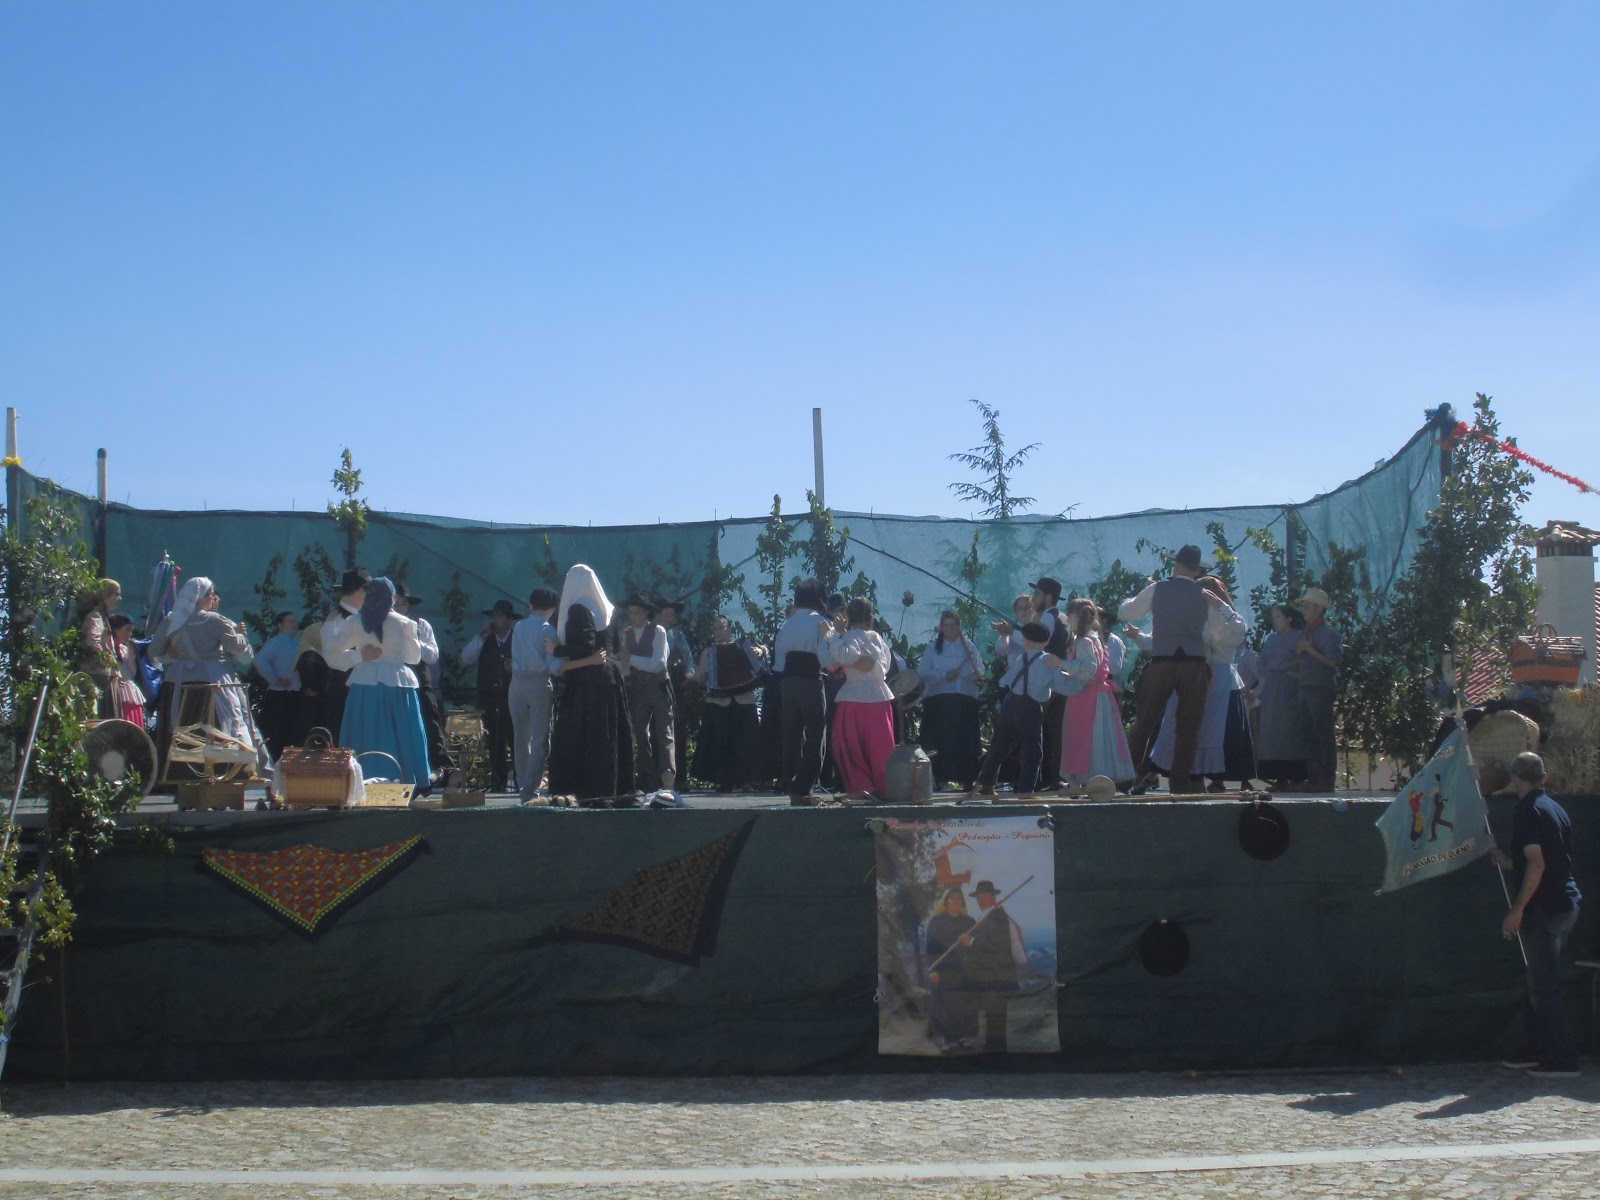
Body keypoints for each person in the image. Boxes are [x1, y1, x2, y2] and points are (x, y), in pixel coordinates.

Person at [1490, 752, 1583, 1078]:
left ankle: (1564, 1060)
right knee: (1538, 982)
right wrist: (1508, 861)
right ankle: (1539, 1051)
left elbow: (1539, 864)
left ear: (1515, 777)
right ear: (1544, 777)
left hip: (1546, 908)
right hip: (1564, 904)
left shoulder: (1529, 812)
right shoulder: (1554, 808)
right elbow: (1549, 859)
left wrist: (1517, 909)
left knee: (1544, 986)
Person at [1118, 544, 1236, 795]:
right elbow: (1220, 633)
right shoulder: (1205, 595)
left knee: (1145, 722)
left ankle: (1124, 779)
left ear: (1176, 565)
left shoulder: (1158, 588)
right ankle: (1180, 784)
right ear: (1197, 570)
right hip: (1194, 663)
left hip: (1163, 661)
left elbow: (1126, 612)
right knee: (1189, 725)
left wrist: (1140, 598)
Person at [151, 576, 271, 781]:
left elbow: (154, 650)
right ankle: (227, 773)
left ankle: (179, 774)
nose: (214, 598)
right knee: (221, 726)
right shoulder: (214, 620)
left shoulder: (172, 619)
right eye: (211, 594)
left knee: (181, 727)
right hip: (210, 683)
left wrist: (171, 654)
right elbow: (243, 655)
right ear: (202, 597)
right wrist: (240, 636)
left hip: (177, 684)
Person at [1146, 577, 1254, 792]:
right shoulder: (1194, 618)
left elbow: (1240, 630)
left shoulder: (1228, 618)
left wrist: (1220, 605)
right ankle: (1192, 776)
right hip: (1197, 676)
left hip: (1222, 680)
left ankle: (1219, 779)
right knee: (1192, 727)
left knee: (1221, 731)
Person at [323, 577, 431, 787]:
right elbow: (413, 658)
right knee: (401, 734)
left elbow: (332, 653)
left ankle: (362, 779)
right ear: (392, 599)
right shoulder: (406, 623)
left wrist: (359, 655)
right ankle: (404, 778)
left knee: (366, 731)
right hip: (397, 685)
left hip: (365, 684)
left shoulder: (355, 621)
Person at [547, 566, 633, 800]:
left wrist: (557, 650)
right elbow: (614, 645)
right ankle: (613, 789)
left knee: (582, 735)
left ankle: (585, 791)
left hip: (587, 681)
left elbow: (585, 645)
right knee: (608, 734)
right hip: (611, 676)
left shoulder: (579, 609)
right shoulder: (608, 609)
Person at [992, 578, 1070, 791]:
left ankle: (1023, 783)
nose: (1033, 599)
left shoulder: (1048, 617)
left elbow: (1035, 641)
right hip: (1053, 681)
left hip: (1041, 684)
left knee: (1024, 736)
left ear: (1048, 597)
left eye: (1037, 594)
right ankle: (1048, 780)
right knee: (1049, 735)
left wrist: (1012, 631)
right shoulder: (1060, 617)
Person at [1056, 600, 1136, 787]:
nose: (1068, 618)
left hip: (1088, 695)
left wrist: (1060, 663)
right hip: (1094, 694)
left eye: (1070, 614)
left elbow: (1088, 670)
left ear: (1078, 617)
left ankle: (1088, 776)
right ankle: (1087, 777)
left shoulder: (1085, 641)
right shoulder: (1093, 639)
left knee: (1085, 735)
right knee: (1092, 734)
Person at [973, 622, 1057, 798]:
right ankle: (1026, 791)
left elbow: (1009, 679)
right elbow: (1059, 684)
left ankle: (986, 783)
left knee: (1000, 744)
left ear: (1026, 641)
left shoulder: (1022, 658)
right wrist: (1076, 681)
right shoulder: (1047, 661)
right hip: (1030, 706)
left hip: (1010, 701)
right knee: (1032, 751)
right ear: (1047, 642)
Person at [774, 579, 838, 804]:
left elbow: (779, 662)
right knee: (815, 734)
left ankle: (790, 781)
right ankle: (804, 785)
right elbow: (825, 657)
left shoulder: (787, 624)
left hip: (788, 682)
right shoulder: (821, 622)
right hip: (811, 680)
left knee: (792, 734)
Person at [830, 597, 896, 801]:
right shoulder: (877, 638)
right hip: (879, 696)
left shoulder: (850, 637)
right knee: (881, 747)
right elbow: (884, 665)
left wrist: (833, 635)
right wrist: (864, 663)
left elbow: (843, 656)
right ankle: (886, 787)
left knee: (847, 745)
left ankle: (863, 787)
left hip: (854, 697)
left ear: (849, 616)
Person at [693, 616, 767, 793]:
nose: (718, 631)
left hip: (744, 700)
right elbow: (699, 678)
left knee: (745, 743)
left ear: (729, 629)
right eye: (715, 628)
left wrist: (762, 650)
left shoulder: (744, 646)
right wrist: (706, 675)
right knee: (720, 743)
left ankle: (746, 780)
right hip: (719, 701)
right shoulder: (709, 652)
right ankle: (723, 781)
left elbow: (761, 661)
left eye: (721, 627)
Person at [508, 586, 563, 803]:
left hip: (516, 682)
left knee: (520, 737)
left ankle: (522, 783)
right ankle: (530, 790)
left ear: (530, 605)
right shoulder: (549, 631)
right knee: (540, 738)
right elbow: (555, 667)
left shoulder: (519, 626)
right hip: (539, 682)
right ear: (553, 608)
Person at [917, 611, 983, 791]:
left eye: (953, 625)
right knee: (940, 742)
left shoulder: (969, 647)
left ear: (959, 627)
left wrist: (977, 676)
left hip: (965, 701)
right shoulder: (932, 648)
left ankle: (968, 779)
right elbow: (923, 673)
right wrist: (945, 675)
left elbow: (980, 668)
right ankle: (939, 778)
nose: (949, 629)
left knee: (965, 742)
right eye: (945, 625)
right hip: (940, 702)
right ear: (941, 627)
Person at [394, 583, 453, 783]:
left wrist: (413, 640)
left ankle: (440, 769)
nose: (399, 608)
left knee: (431, 723)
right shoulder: (384, 626)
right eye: (396, 603)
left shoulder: (421, 624)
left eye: (403, 603)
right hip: (396, 684)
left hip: (420, 682)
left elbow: (432, 656)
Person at [960, 880, 1027, 1052]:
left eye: (985, 896)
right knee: (993, 1019)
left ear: (993, 897)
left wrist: (971, 941)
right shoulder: (986, 916)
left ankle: (996, 1055)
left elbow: (996, 947)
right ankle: (994, 1052)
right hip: (990, 977)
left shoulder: (997, 916)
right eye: (978, 896)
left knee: (996, 1019)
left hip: (997, 977)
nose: (980, 899)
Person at [619, 593, 676, 791]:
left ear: (645, 613)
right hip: (637, 689)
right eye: (630, 613)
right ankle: (647, 777)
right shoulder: (626, 634)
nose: (632, 617)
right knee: (640, 733)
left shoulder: (658, 630)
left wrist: (631, 659)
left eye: (636, 613)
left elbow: (658, 663)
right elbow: (624, 668)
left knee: (664, 732)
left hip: (658, 686)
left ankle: (667, 776)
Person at [461, 599, 519, 792]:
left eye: (499, 616)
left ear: (508, 620)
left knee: (515, 739)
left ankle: (520, 780)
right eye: (494, 616)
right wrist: (481, 638)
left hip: (513, 698)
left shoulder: (518, 638)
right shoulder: (485, 639)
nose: (495, 620)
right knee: (494, 741)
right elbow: (466, 658)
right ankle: (497, 782)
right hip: (489, 698)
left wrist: (514, 667)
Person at [1294, 587, 1342, 792]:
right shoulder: (1307, 632)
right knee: (1308, 733)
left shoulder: (1329, 634)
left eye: (1306, 606)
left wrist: (1309, 649)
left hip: (1320, 687)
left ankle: (1326, 779)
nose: (1303, 610)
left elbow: (1333, 662)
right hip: (1306, 685)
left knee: (1322, 733)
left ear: (1318, 608)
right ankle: (1313, 778)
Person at [1254, 605, 1307, 789]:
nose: (1275, 620)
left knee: (1290, 729)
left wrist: (1296, 671)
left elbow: (1304, 660)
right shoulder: (1271, 639)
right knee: (1272, 729)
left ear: (1289, 618)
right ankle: (1279, 777)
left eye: (1278, 617)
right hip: (1272, 689)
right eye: (1274, 617)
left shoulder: (1299, 637)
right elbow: (1262, 662)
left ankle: (1298, 776)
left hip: (1290, 687)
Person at [923, 888, 978, 1052]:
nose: (955, 901)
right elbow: (930, 948)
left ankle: (964, 1037)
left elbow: (976, 945)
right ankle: (948, 1039)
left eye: (959, 898)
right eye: (952, 898)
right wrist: (933, 970)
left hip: (964, 969)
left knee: (964, 1004)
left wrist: (970, 943)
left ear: (962, 901)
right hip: (943, 969)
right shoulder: (936, 921)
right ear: (946, 901)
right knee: (946, 1004)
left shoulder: (969, 922)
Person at [319, 568, 370, 740]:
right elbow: (332, 659)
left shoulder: (366, 618)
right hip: (343, 689)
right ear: (360, 590)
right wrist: (361, 655)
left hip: (364, 687)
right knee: (342, 736)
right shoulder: (335, 621)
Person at [254, 611, 304, 758]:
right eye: (290, 622)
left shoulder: (295, 643)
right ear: (280, 625)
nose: (294, 625)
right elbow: (259, 660)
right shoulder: (277, 642)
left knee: (292, 734)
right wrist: (274, 679)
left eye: (295, 622)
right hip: (280, 695)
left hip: (293, 693)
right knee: (278, 735)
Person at [656, 597, 695, 787]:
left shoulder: (678, 636)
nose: (669, 618)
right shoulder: (651, 634)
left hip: (677, 688)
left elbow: (689, 660)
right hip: (657, 687)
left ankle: (680, 778)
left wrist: (689, 675)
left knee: (678, 731)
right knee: (657, 731)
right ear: (658, 615)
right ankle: (658, 777)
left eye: (671, 615)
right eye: (666, 614)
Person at [76, 578, 123, 717]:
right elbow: (92, 640)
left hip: (104, 674)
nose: (119, 599)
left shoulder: (103, 616)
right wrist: (106, 658)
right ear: (105, 595)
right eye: (116, 594)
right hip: (98, 675)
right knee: (101, 717)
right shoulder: (96, 616)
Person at [106, 614, 150, 726]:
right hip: (119, 689)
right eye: (127, 629)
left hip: (129, 689)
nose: (130, 634)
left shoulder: (125, 649)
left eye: (131, 630)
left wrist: (131, 655)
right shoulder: (109, 649)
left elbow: (132, 672)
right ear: (116, 629)